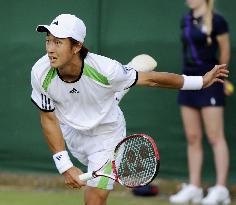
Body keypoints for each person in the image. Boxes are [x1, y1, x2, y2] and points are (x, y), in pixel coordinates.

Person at [30, 14, 228, 205]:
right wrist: (64, 166)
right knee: (110, 93)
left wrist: (200, 82)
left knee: (94, 200)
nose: (50, 49)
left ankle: (126, 76)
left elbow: (151, 79)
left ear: (77, 46)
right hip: (71, 131)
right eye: (48, 41)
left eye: (58, 42)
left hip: (106, 135)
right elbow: (48, 118)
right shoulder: (40, 72)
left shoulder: (105, 69)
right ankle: (123, 80)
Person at [169, 0, 231, 204]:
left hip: (211, 80)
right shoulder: (184, 21)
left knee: (215, 136)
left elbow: (225, 49)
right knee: (193, 137)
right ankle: (194, 187)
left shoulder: (218, 21)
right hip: (189, 81)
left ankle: (221, 189)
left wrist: (221, 76)